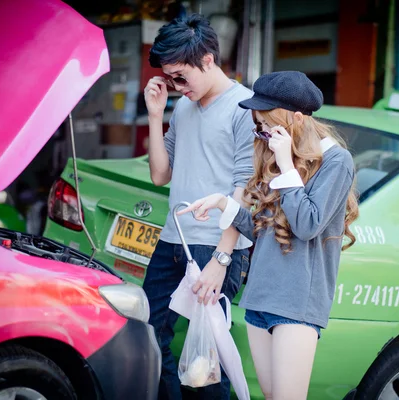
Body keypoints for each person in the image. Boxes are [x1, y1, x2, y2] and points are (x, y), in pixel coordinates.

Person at [178, 71, 359, 400]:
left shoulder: (336, 161)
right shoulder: (274, 155)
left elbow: (307, 224)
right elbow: (264, 226)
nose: (260, 132)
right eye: (258, 125)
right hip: (261, 296)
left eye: (266, 124)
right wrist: (223, 204)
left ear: (297, 119)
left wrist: (287, 165)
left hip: (297, 303)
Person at [142, 13, 255, 400]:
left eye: (180, 76)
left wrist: (221, 260)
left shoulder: (245, 107)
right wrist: (156, 115)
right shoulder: (183, 108)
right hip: (174, 240)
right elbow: (160, 174)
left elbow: (246, 192)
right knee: (149, 334)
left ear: (207, 60)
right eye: (169, 77)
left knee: (207, 362)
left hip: (215, 248)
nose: (175, 86)